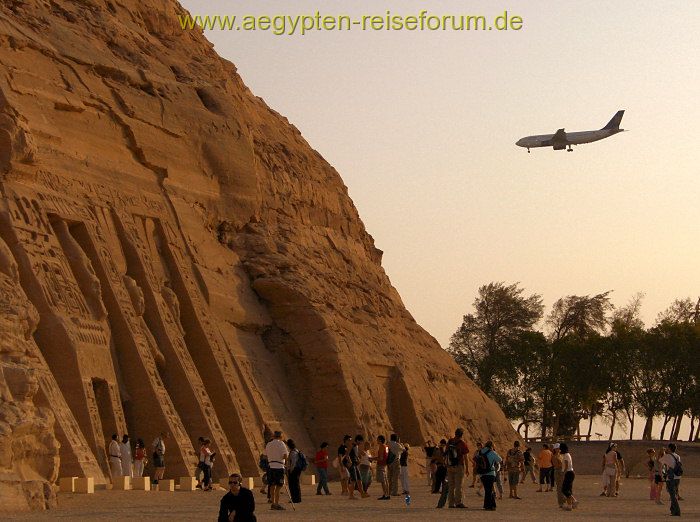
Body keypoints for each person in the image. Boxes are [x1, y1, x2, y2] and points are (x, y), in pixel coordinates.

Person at [264, 430, 288, 510]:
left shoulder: (269, 444)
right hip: (279, 467)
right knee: (278, 486)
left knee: (272, 486)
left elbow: (265, 455)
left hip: (271, 467)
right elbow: (285, 456)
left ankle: (272, 501)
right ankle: (276, 504)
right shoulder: (281, 444)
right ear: (281, 437)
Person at [446, 427, 469, 509]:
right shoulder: (462, 443)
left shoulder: (449, 441)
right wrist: (467, 469)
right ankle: (458, 502)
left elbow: (446, 453)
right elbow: (466, 457)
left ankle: (451, 503)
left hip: (450, 466)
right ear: (462, 435)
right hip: (459, 466)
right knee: (459, 485)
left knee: (451, 485)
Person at [477, 440, 502, 511]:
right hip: (491, 473)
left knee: (487, 489)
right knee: (489, 489)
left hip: (482, 474)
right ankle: (490, 505)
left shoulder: (480, 451)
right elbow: (500, 459)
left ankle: (488, 505)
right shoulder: (492, 452)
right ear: (492, 446)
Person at [660, 443, 682, 517]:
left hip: (671, 478)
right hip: (677, 477)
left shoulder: (667, 456)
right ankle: (673, 510)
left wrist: (662, 452)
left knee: (672, 495)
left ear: (669, 448)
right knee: (674, 493)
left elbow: (660, 461)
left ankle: (677, 511)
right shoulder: (677, 456)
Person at [347, 435, 368, 499]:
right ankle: (351, 495)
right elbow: (347, 454)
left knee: (359, 479)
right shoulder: (353, 446)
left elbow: (355, 455)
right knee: (353, 480)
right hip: (352, 464)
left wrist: (358, 459)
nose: (361, 443)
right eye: (361, 441)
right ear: (358, 440)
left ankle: (362, 494)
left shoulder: (356, 446)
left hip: (355, 464)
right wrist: (350, 462)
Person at [560, 443, 578, 511]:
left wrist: (563, 473)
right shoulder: (567, 455)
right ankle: (572, 503)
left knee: (564, 489)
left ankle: (572, 503)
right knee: (568, 489)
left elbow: (566, 466)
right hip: (570, 473)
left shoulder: (566, 455)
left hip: (568, 473)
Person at [286, 439, 302, 503]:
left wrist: (290, 470)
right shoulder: (296, 451)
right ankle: (297, 499)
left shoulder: (293, 452)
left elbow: (293, 463)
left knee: (292, 485)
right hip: (297, 470)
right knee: (296, 484)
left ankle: (295, 499)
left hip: (293, 470)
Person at [375, 435, 390, 500]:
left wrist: (372, 458)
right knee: (385, 480)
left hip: (381, 465)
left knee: (383, 481)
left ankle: (385, 494)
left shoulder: (381, 447)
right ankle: (387, 494)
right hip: (385, 465)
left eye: (377, 439)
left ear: (380, 440)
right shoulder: (386, 446)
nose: (377, 441)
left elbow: (380, 458)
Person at [552, 443, 565, 508]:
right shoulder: (554, 456)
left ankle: (564, 500)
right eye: (558, 448)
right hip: (558, 472)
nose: (559, 449)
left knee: (564, 487)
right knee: (559, 488)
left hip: (562, 471)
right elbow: (556, 465)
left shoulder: (561, 455)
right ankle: (561, 502)